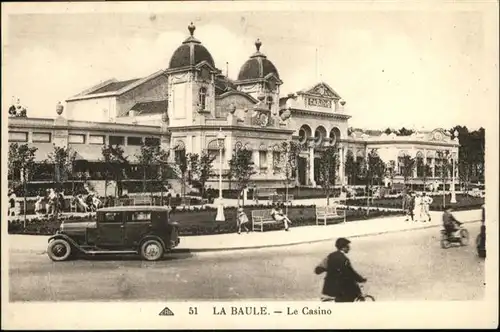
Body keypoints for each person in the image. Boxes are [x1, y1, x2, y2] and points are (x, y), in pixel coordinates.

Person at [315, 237, 367, 302]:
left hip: (329, 288)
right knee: (352, 296)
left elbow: (318, 270)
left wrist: (331, 268)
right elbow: (351, 273)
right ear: (343, 247)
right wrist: (361, 279)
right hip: (342, 289)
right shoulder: (344, 259)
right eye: (348, 246)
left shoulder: (330, 256)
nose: (349, 248)